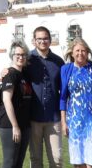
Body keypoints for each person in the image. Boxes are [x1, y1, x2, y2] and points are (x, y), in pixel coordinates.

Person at [60, 39, 92, 168]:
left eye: (83, 51)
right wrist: (64, 122)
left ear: (87, 52)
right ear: (71, 53)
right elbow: (63, 98)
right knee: (78, 162)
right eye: (77, 50)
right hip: (75, 122)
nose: (80, 53)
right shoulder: (66, 69)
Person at [25, 26, 65, 168]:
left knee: (57, 159)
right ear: (34, 41)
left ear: (50, 40)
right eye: (39, 39)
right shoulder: (27, 60)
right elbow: (17, 75)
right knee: (35, 159)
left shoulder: (59, 62)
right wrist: (6, 71)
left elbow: (65, 90)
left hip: (53, 118)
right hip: (33, 117)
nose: (43, 41)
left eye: (45, 38)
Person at [0, 40, 34, 168]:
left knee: (19, 162)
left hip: (24, 124)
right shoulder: (10, 74)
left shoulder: (24, 74)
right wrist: (15, 126)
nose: (20, 57)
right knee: (10, 162)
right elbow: (7, 100)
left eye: (23, 54)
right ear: (12, 56)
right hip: (9, 125)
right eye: (17, 54)